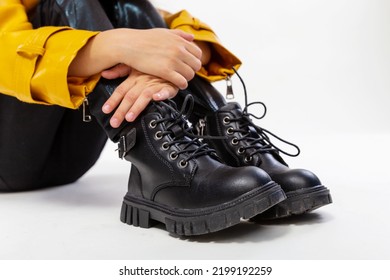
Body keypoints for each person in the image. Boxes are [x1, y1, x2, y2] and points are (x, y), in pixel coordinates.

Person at [0, 0, 331, 236]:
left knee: (128, 7)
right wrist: (108, 44)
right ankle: (155, 154)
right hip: (8, 157)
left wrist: (162, 64)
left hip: (69, 157)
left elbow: (180, 26)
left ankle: (220, 140)